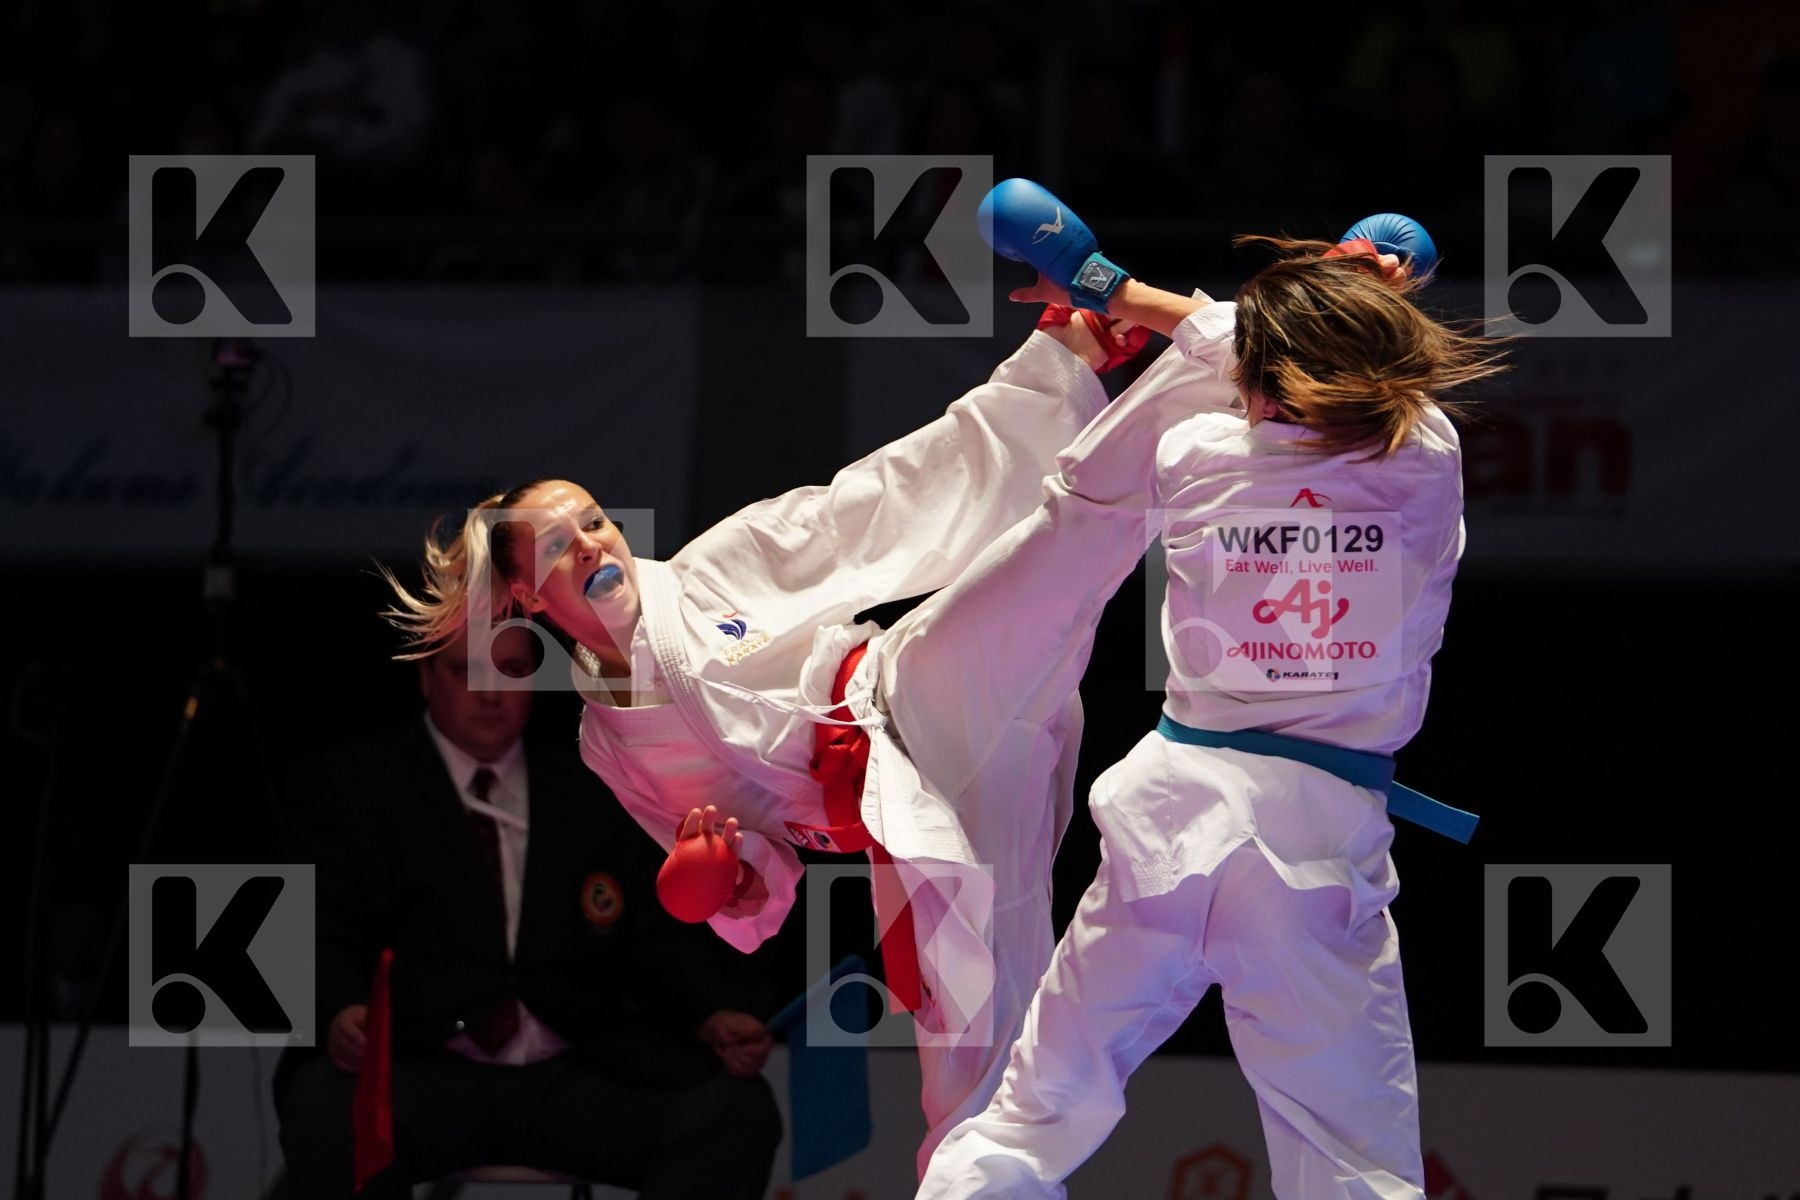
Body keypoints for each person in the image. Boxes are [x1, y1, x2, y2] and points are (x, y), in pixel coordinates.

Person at [376, 308, 1146, 1174]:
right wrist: (720, 882)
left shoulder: (710, 574)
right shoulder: (608, 746)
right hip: (905, 824)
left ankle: (1181, 376)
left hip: (908, 701)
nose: (592, 543)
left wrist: (1048, 369)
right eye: (559, 545)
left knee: (1060, 558)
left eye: (595, 521)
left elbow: (879, 503)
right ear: (521, 594)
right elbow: (756, 874)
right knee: (968, 1065)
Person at [913, 236, 1507, 1198]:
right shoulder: (1426, 464)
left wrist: (1109, 287)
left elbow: (1226, 350)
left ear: (1258, 380)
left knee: (1033, 1116)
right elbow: (1257, 352)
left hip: (1170, 826)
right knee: (1351, 1155)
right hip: (1312, 847)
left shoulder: (1195, 455)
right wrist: (1349, 293)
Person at [272, 623, 782, 1200]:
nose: (492, 693)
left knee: (735, 1112)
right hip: (423, 1065)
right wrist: (342, 1009)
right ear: (425, 676)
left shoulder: (593, 786)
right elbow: (322, 921)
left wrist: (709, 1013)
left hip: (571, 1066)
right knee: (325, 1106)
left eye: (513, 672)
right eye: (468, 671)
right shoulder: (355, 786)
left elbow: (649, 934)